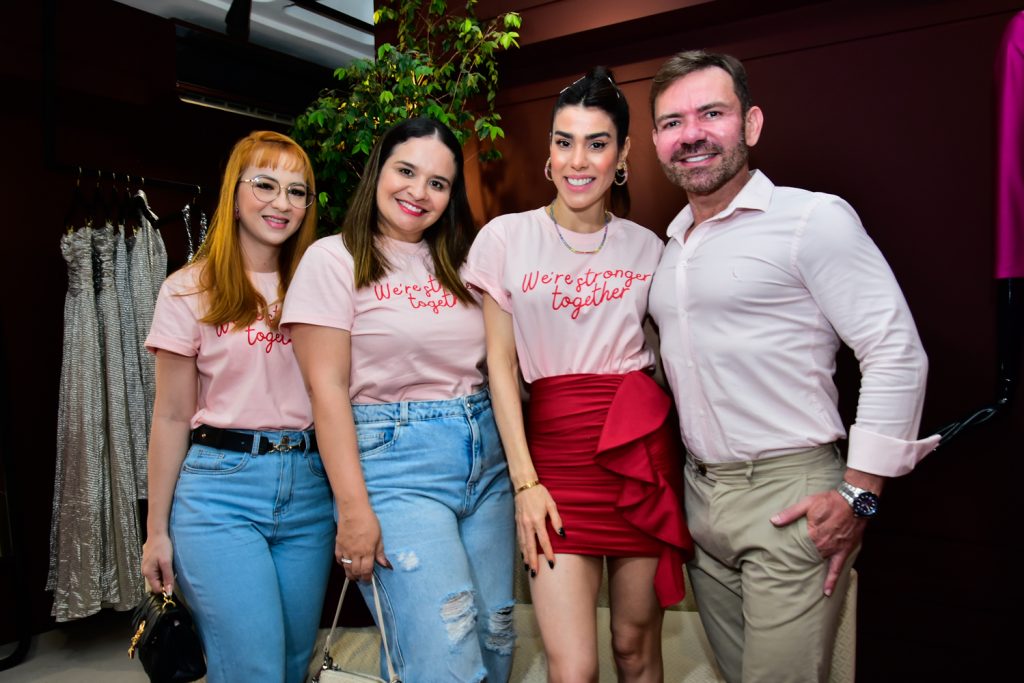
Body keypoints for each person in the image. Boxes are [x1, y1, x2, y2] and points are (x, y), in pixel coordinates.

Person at [647, 50, 940, 683]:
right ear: (655, 141)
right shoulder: (670, 247)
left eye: (711, 113)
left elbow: (894, 350)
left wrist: (860, 493)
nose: (691, 133)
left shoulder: (811, 219)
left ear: (750, 125)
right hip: (703, 499)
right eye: (672, 122)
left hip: (790, 496)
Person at [467, 67, 693, 682]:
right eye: (564, 141)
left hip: (638, 455)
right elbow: (501, 370)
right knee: (573, 668)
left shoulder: (650, 247)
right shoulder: (506, 238)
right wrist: (524, 483)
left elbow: (675, 355)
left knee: (634, 647)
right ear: (548, 150)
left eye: (597, 143)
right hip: (553, 462)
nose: (578, 160)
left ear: (622, 155)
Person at [281, 117, 516, 683]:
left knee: (495, 637)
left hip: (485, 463)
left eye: (438, 183)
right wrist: (355, 510)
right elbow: (326, 392)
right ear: (376, 172)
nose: (419, 192)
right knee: (445, 655)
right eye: (406, 171)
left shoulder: (464, 261)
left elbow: (499, 362)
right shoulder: (331, 260)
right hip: (395, 467)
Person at [141, 131, 333, 683]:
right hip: (220, 493)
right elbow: (172, 416)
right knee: (253, 668)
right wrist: (157, 532)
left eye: (298, 192)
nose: (282, 203)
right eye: (266, 185)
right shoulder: (188, 290)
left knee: (295, 664)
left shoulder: (322, 285)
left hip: (310, 489)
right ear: (234, 193)